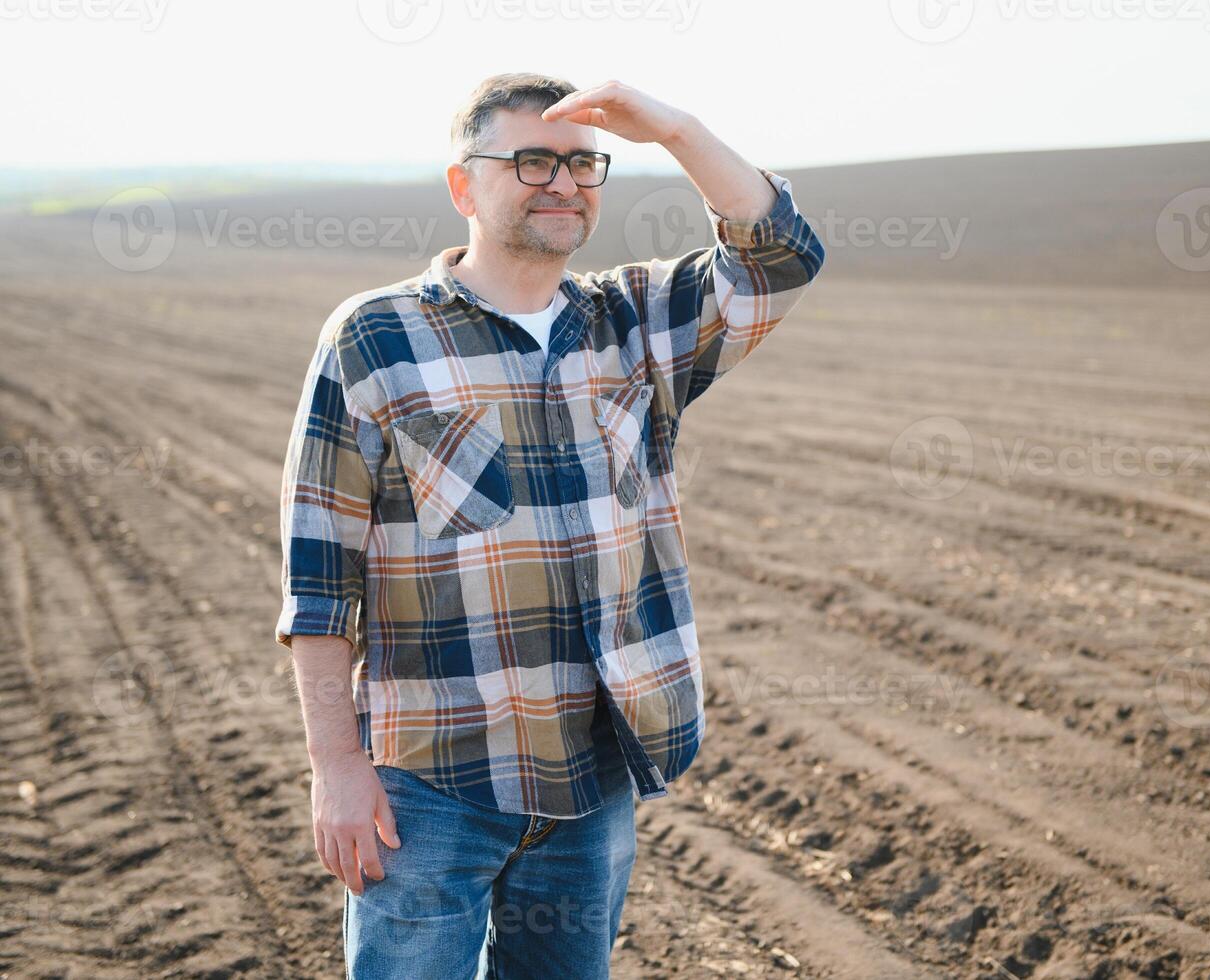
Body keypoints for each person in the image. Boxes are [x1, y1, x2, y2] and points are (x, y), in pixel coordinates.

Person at [275, 73, 825, 978]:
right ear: (464, 186)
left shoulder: (635, 322)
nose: (562, 181)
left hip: (594, 773)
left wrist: (673, 128)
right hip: (429, 784)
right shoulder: (375, 337)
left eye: (581, 163)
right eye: (531, 160)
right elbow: (318, 575)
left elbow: (780, 256)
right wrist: (337, 766)